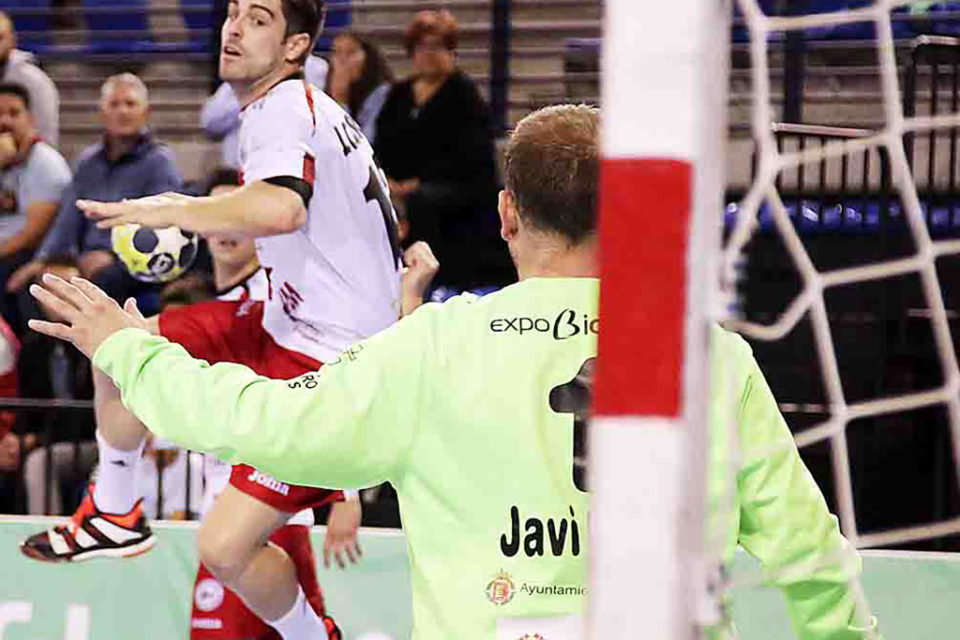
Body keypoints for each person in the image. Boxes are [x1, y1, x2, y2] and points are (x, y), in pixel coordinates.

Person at [25, 104, 879, 640]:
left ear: (506, 214)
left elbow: (263, 421)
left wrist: (126, 349)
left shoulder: (437, 348)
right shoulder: (709, 358)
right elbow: (811, 557)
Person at [22, 2, 429, 640]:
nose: (234, 28)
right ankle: (115, 510)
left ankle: (312, 636)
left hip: (332, 368)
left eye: (258, 19)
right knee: (115, 339)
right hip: (284, 320)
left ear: (295, 46)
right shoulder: (302, 108)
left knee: (223, 547)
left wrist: (172, 209)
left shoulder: (284, 106)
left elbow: (281, 210)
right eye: (233, 12)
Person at [6, 73, 182, 307]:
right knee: (32, 283)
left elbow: (161, 225)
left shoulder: (160, 162)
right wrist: (43, 260)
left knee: (102, 280)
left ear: (146, 113)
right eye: (114, 104)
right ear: (101, 113)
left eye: (130, 104)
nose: (123, 111)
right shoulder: (88, 162)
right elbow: (68, 219)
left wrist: (113, 255)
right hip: (85, 261)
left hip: (135, 262)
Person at [374, 9, 512, 293]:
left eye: (437, 47)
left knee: (424, 203)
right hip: (397, 186)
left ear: (452, 51)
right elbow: (380, 143)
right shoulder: (398, 94)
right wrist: (387, 179)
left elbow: (471, 157)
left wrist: (417, 183)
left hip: (456, 190)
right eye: (421, 47)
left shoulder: (464, 95)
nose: (429, 54)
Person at [0, 83, 71, 330]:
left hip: (32, 252)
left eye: (14, 113)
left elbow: (33, 233)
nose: (5, 121)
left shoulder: (45, 162)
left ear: (30, 119)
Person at [201, 53, 327, 169]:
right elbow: (209, 121)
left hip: (286, 171)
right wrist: (249, 98)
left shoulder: (316, 69)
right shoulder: (246, 67)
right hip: (236, 173)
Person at [0, 12, 59, 146]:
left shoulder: (36, 82)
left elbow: (46, 136)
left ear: (12, 40)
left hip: (25, 155)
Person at [325, 31, 392, 145]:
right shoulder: (323, 93)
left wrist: (341, 102)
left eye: (351, 52)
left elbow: (364, 146)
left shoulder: (383, 94)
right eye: (336, 52)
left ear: (368, 57)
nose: (342, 59)